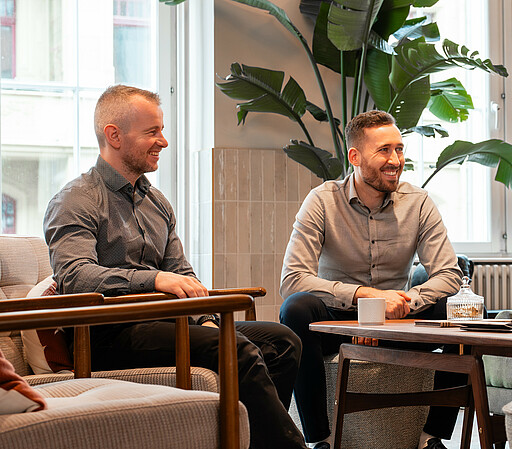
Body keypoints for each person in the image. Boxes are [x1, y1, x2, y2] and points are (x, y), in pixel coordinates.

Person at [43, 85, 306, 449]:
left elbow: (182, 273)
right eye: (152, 132)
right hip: (107, 334)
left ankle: (251, 441)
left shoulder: (158, 203)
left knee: (282, 340)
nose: (163, 141)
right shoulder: (76, 200)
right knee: (237, 348)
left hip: (168, 322)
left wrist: (205, 316)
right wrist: (154, 279)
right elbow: (76, 276)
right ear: (113, 135)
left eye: (162, 130)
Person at [279, 110, 463, 449]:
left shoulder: (418, 202)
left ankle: (431, 436)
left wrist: (406, 304)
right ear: (355, 156)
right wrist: (366, 299)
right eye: (384, 151)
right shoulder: (322, 201)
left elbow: (449, 274)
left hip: (398, 321)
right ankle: (320, 440)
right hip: (339, 320)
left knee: (460, 309)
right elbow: (293, 279)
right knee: (296, 308)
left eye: (400, 149)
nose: (396, 160)